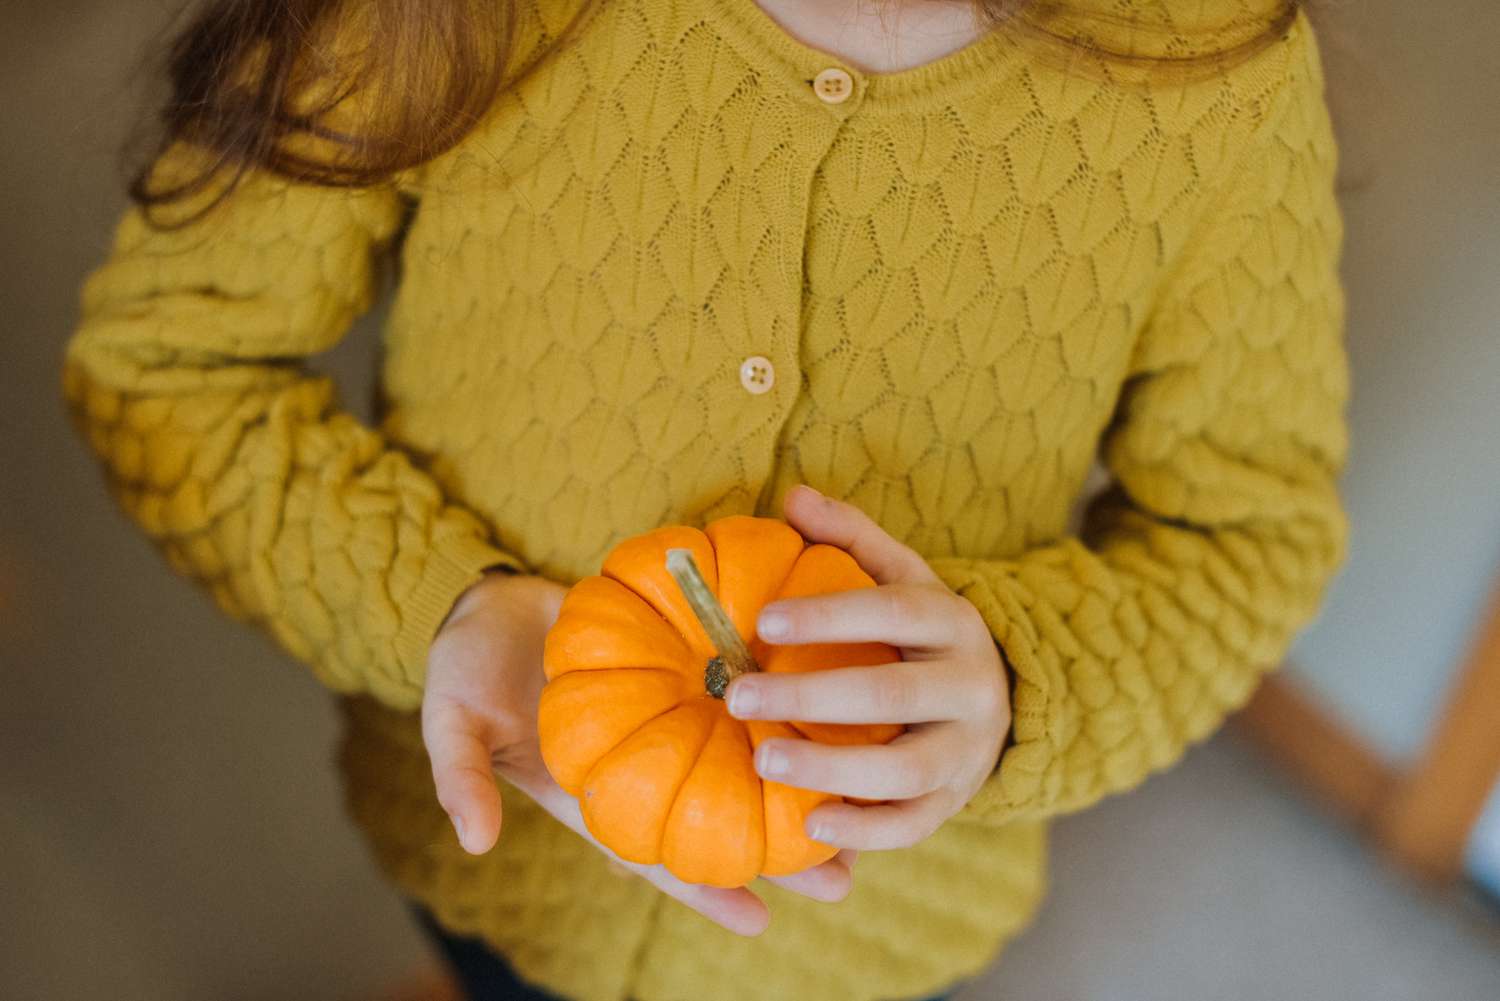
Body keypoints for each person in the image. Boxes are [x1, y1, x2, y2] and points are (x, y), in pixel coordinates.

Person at [61, 1, 1349, 999]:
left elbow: (1246, 531)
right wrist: (437, 607)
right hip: (488, 867)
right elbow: (169, 369)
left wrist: (1014, 681)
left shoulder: (1218, 80)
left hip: (880, 945)